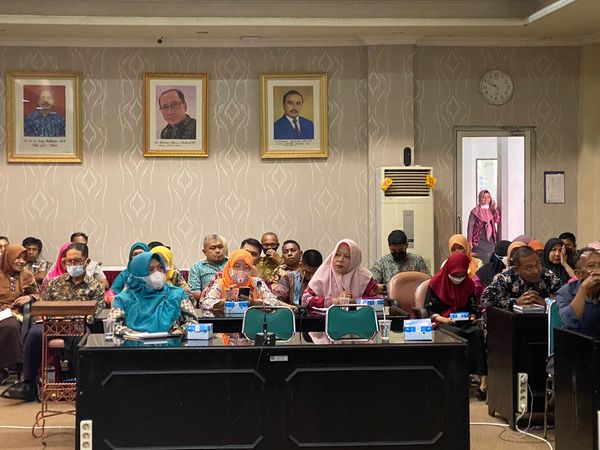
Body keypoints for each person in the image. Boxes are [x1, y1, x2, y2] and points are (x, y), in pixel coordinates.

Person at [7, 243, 104, 401]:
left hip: (77, 325)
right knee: (33, 334)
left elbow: (95, 314)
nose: (72, 265)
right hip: (52, 324)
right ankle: (29, 384)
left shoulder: (96, 287)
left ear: (87, 262)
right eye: (68, 261)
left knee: (82, 339)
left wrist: (73, 319)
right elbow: (42, 307)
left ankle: (82, 386)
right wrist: (52, 319)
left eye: (77, 261)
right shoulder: (55, 283)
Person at [425, 252, 488, 400]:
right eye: (455, 275)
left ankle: (483, 383)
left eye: (462, 274)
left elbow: (473, 307)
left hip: (464, 322)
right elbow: (428, 310)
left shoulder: (469, 284)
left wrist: (472, 316)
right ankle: (456, 379)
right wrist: (444, 319)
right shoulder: (436, 283)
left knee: (477, 334)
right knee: (454, 335)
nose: (459, 278)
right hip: (443, 322)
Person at [109, 252, 197, 335]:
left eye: (160, 267)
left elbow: (192, 322)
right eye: (150, 269)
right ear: (138, 274)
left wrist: (179, 332)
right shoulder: (123, 299)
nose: (157, 273)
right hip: (133, 344)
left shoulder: (177, 294)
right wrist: (134, 335)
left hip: (171, 344)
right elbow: (112, 326)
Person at [0, 244, 39, 384]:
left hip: (13, 312)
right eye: (18, 258)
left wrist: (29, 297)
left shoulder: (26, 275)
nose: (21, 261)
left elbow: (37, 294)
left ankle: (13, 368)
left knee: (10, 326)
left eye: (24, 258)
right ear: (8, 257)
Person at [302, 239, 379, 309]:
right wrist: (335, 301)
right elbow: (305, 300)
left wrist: (354, 301)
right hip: (326, 319)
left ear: (354, 260)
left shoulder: (365, 278)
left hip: (358, 318)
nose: (340, 260)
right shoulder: (323, 274)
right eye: (337, 254)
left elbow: (378, 301)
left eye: (347, 257)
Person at [201, 249, 288, 311]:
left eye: (246, 267)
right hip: (225, 325)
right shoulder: (220, 283)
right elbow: (205, 303)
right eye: (237, 266)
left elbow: (274, 302)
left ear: (251, 269)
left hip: (252, 323)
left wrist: (253, 302)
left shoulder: (256, 282)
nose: (241, 270)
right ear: (229, 267)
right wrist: (224, 301)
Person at [481, 246, 564, 310]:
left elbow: (567, 296)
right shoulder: (505, 278)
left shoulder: (547, 275)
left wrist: (547, 302)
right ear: (516, 269)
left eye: (537, 264)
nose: (536, 271)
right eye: (529, 268)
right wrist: (515, 302)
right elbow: (485, 300)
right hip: (512, 323)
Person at [556, 250, 600, 335]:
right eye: (591, 266)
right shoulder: (565, 292)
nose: (598, 270)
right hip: (577, 340)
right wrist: (584, 288)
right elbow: (570, 322)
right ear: (578, 274)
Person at [189, 235, 228, 303]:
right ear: (204, 252)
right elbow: (194, 292)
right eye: (213, 248)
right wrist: (211, 294)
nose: (218, 251)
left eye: (220, 247)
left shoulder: (232, 263)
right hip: (208, 303)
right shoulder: (197, 267)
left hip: (232, 302)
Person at [467, 190, 500, 263]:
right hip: (478, 240)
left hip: (491, 240)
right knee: (480, 260)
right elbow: (470, 227)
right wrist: (469, 241)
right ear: (480, 198)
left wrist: (495, 209)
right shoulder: (475, 211)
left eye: (488, 197)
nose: (486, 199)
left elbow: (497, 220)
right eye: (483, 197)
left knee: (491, 258)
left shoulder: (492, 210)